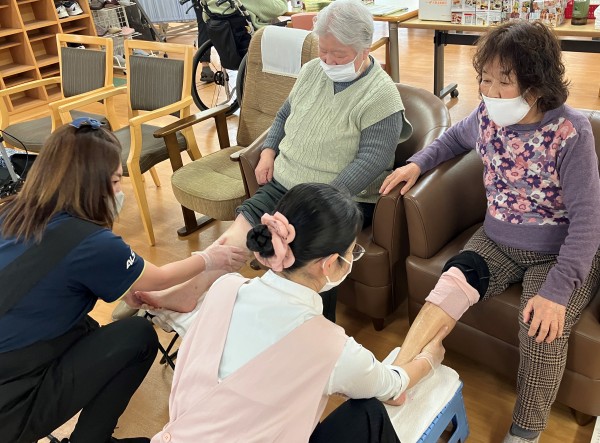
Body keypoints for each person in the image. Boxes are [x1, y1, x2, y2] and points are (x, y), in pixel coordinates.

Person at [380, 21, 600, 443]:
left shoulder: (571, 133)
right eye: (485, 79)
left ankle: (525, 432)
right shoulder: (485, 116)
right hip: (497, 240)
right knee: (449, 286)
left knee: (540, 330)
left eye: (504, 81)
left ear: (536, 85)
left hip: (558, 253)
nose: (490, 92)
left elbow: (589, 223)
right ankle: (398, 376)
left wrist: (556, 293)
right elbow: (450, 140)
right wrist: (416, 164)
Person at [152, 0, 412, 322]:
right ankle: (188, 292)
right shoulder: (312, 71)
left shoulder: (381, 95)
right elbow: (283, 116)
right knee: (236, 236)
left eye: (339, 55)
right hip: (286, 183)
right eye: (324, 51)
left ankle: (313, 326)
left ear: (364, 48)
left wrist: (318, 199)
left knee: (306, 256)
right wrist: (268, 151)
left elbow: (373, 159)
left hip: (341, 197)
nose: (329, 61)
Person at [0, 118, 246, 443]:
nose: (120, 191)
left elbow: (50, 281)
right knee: (138, 336)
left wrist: (124, 285)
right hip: (11, 405)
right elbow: (158, 278)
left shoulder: (14, 211)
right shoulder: (90, 242)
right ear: (90, 184)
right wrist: (209, 258)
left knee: (87, 329)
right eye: (116, 181)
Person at [147, 183, 448, 443]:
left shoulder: (225, 289)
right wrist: (428, 360)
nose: (352, 259)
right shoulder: (330, 347)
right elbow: (392, 387)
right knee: (369, 411)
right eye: (352, 252)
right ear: (328, 264)